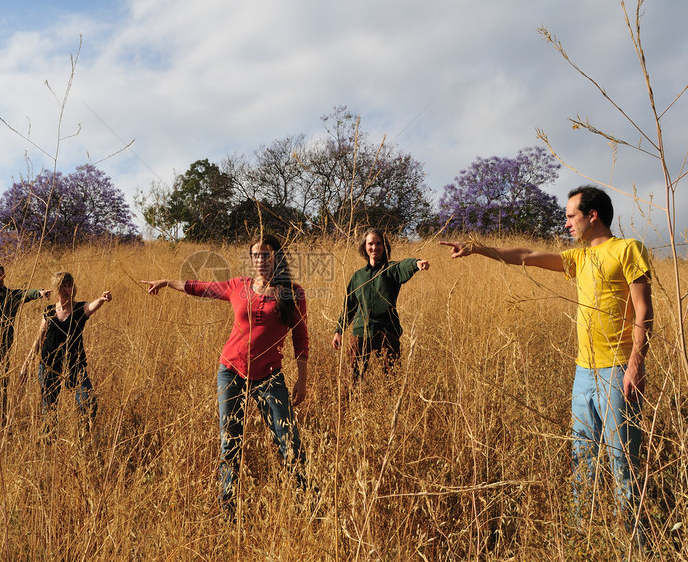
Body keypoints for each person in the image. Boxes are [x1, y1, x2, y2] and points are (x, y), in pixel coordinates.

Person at [440, 185, 652, 544]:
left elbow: (644, 312)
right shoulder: (579, 259)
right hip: (583, 374)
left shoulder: (627, 249)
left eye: (571, 216)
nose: (567, 223)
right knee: (582, 459)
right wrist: (479, 249)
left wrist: (636, 363)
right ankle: (579, 539)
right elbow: (526, 254)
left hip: (618, 371)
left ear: (593, 215)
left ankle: (636, 544)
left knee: (624, 462)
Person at [142, 234, 311, 521]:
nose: (260, 261)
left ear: (277, 258)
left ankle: (308, 502)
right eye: (255, 255)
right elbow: (203, 288)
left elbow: (301, 335)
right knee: (230, 441)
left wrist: (302, 378)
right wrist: (169, 282)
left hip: (270, 376)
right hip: (231, 372)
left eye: (266, 255)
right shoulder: (239, 285)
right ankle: (229, 510)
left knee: (288, 440)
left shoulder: (293, 292)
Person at [332, 228, 430, 382]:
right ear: (365, 246)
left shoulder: (390, 269)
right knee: (352, 378)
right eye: (370, 243)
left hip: (387, 330)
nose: (374, 247)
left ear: (384, 247)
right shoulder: (358, 276)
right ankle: (350, 405)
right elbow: (349, 306)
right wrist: (339, 330)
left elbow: (402, 266)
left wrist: (416, 263)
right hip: (361, 332)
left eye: (378, 243)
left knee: (391, 378)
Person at [21, 272, 110, 434]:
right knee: (49, 409)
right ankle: (48, 442)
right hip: (48, 365)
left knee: (88, 402)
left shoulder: (79, 309)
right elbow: (39, 340)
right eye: (63, 286)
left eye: (70, 286)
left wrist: (102, 299)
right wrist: (26, 364)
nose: (67, 290)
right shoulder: (48, 311)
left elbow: (92, 306)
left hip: (74, 365)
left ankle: (84, 437)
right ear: (56, 289)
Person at [0, 263, 50, 425]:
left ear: (4, 276)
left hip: (1, 347)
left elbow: (27, 294)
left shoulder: (10, 296)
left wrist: (40, 293)